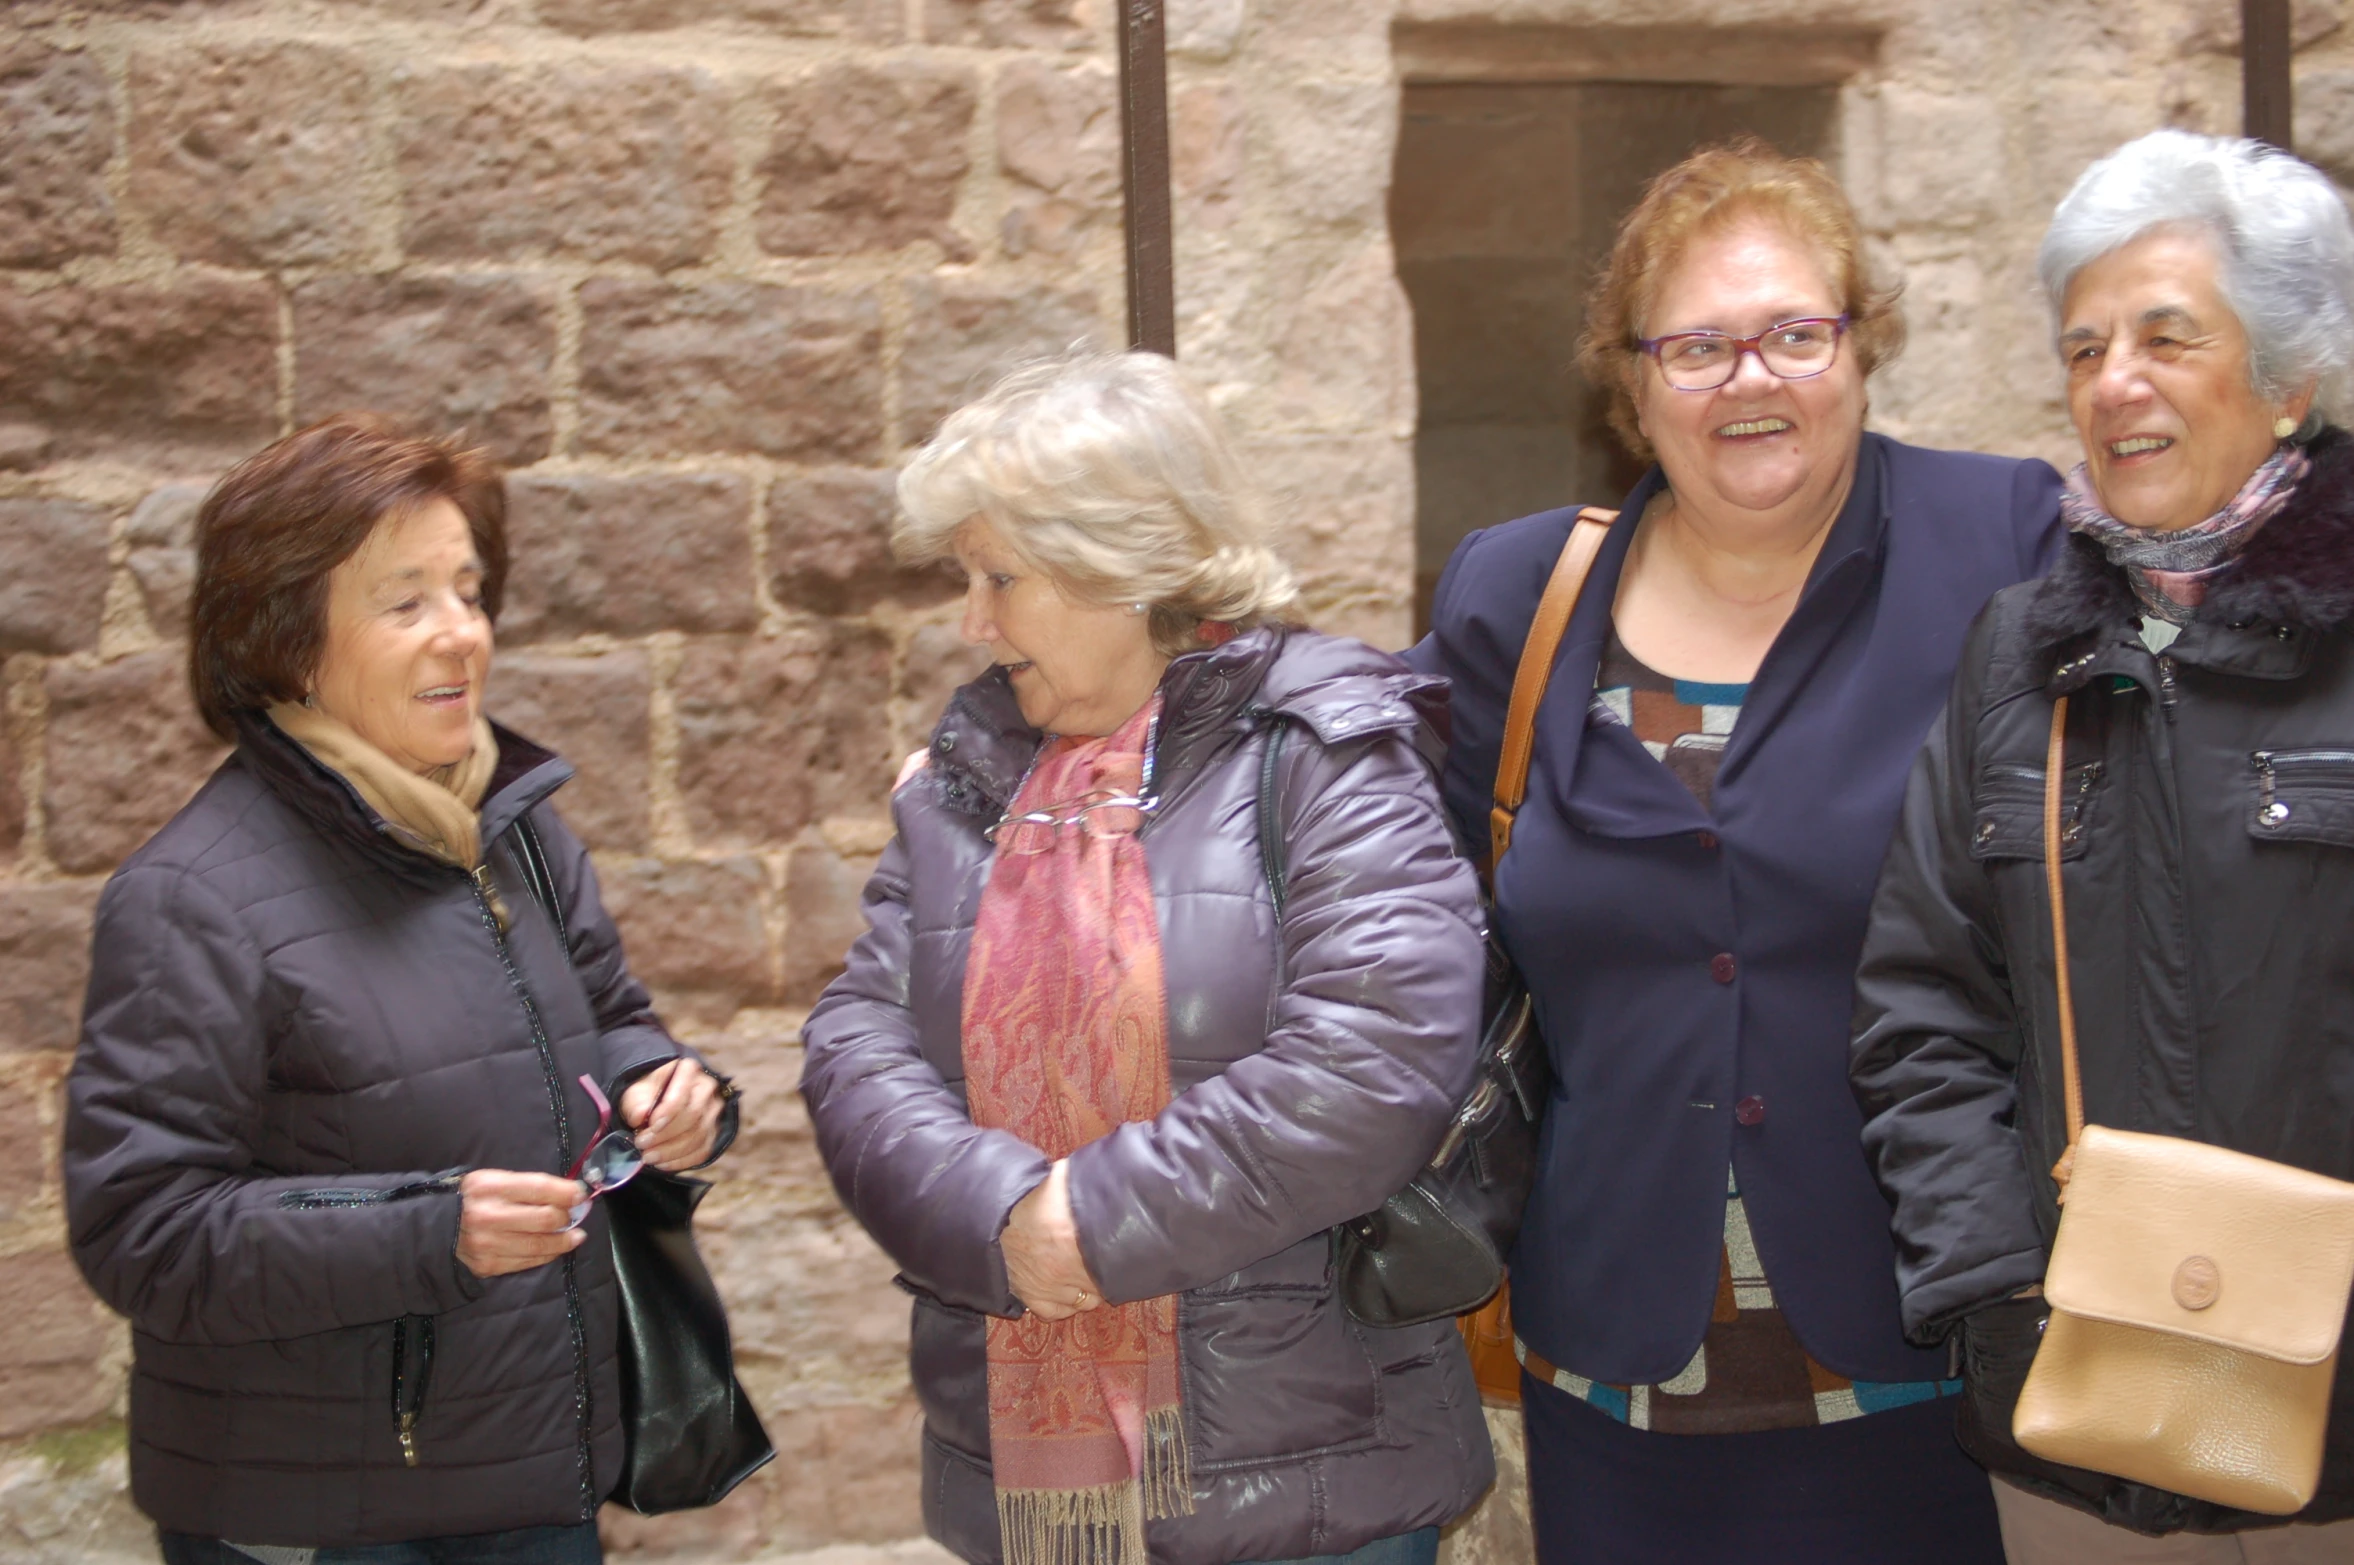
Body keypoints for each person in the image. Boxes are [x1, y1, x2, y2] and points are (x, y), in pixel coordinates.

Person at [1405, 139, 2062, 1563]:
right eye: (1695, 346)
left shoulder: (1999, 542)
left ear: (1860, 347)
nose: (1748, 377)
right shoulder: (1517, 592)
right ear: (1630, 385)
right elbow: (1376, 853)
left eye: (1790, 333)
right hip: (1608, 1374)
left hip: (1930, 1354)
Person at [799, 351, 1493, 1565]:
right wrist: (998, 1215)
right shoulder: (968, 777)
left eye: (998, 576)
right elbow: (855, 1045)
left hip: (1309, 1491)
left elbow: (1374, 1057)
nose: (972, 621)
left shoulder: (1322, 752)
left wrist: (1087, 1223)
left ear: (1113, 564)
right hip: (1029, 1491)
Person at [63, 414, 735, 1565]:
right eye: (406, 599)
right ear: (287, 637)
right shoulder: (190, 897)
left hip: (531, 1469)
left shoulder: (512, 828)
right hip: (322, 1515)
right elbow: (144, 1231)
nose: (460, 633)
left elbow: (611, 1021)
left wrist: (663, 1090)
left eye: (470, 592)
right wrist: (428, 1231)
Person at [1852, 130, 2354, 1562]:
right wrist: (1999, 1286)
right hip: (2078, 1422)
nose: (2111, 382)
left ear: (2288, 375)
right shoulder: (2022, 656)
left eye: (2164, 336)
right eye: (2082, 347)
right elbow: (1920, 1002)